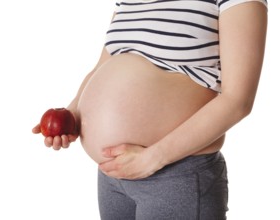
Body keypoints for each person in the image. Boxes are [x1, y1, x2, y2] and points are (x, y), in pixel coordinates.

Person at [32, 0, 268, 219]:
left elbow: (238, 101)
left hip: (175, 173)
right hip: (112, 176)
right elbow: (103, 67)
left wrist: (152, 159)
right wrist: (71, 115)